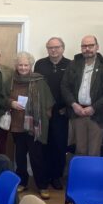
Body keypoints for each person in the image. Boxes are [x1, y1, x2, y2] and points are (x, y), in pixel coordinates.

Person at [8, 52, 54, 199]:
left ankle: (42, 185)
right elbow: (2, 97)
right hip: (17, 124)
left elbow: (48, 102)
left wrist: (44, 116)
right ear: (16, 66)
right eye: (20, 65)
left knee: (37, 156)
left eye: (26, 65)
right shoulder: (11, 80)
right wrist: (11, 103)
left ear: (31, 66)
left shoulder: (39, 80)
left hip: (34, 126)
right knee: (20, 156)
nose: (23, 67)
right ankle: (22, 182)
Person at [61, 35, 103, 156]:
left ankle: (93, 175)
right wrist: (74, 105)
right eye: (84, 46)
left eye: (90, 45)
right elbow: (64, 87)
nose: (87, 49)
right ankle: (81, 175)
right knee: (80, 150)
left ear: (97, 47)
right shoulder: (73, 65)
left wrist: (94, 108)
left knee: (94, 151)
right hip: (78, 113)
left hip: (96, 114)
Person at [34, 37, 71, 190]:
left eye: (56, 47)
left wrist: (67, 107)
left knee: (59, 146)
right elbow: (34, 86)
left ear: (63, 48)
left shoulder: (70, 65)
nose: (53, 50)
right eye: (50, 47)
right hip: (42, 112)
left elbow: (73, 88)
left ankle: (56, 177)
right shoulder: (40, 64)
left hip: (61, 112)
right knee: (43, 145)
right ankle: (44, 177)